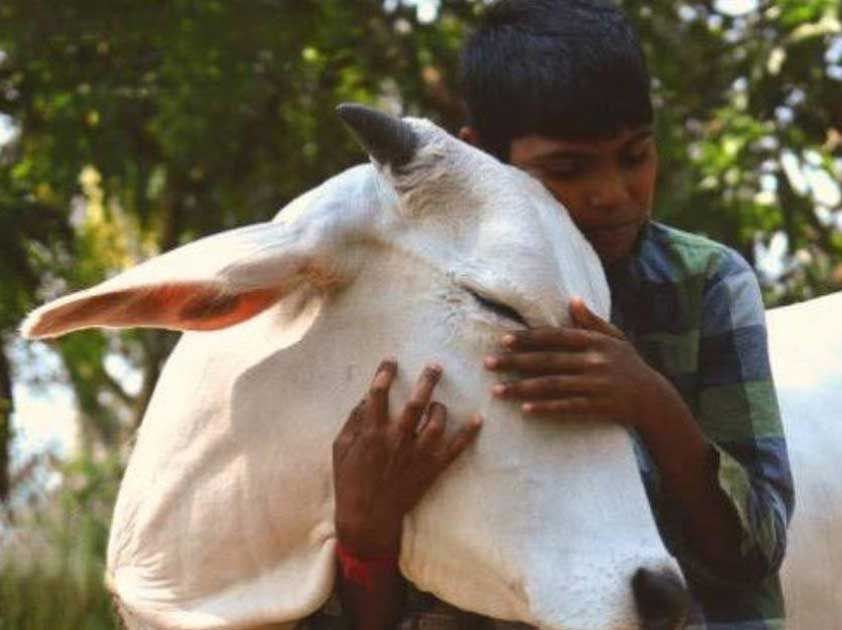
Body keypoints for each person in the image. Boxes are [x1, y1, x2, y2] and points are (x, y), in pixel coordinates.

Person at [311, 1, 794, 628]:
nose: (613, 194)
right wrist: (365, 538)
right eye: (568, 168)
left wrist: (650, 403)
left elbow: (757, 550)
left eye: (635, 155)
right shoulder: (405, 302)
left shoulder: (706, 286)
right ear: (479, 158)